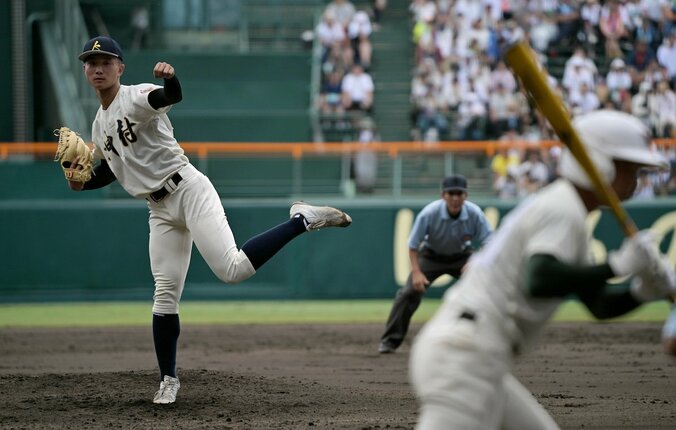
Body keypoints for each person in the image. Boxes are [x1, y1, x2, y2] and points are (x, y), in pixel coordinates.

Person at [68, 36, 352, 405]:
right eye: (91, 62)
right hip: (158, 210)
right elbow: (110, 170)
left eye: (105, 61)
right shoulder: (99, 124)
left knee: (232, 270)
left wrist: (170, 79)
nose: (98, 68)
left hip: (188, 190)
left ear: (120, 67)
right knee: (164, 294)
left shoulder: (135, 96)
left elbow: (169, 97)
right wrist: (81, 183)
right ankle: (168, 380)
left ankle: (303, 219)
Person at [409, 110, 675, 429]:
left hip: (476, 356)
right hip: (465, 356)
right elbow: (539, 278)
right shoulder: (564, 208)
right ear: (600, 163)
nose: (636, 179)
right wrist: (617, 265)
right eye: (630, 168)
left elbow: (599, 304)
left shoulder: (570, 211)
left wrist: (642, 291)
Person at [378, 175, 493, 354]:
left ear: (465, 196)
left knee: (487, 290)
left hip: (463, 257)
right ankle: (390, 341)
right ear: (443, 195)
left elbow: (490, 243)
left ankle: (488, 339)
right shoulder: (429, 213)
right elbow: (413, 245)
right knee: (408, 292)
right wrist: (416, 272)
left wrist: (476, 262)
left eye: (459, 193)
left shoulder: (474, 213)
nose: (455, 198)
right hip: (431, 256)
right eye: (451, 193)